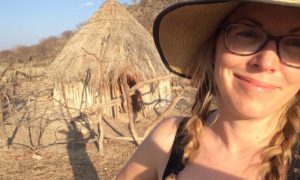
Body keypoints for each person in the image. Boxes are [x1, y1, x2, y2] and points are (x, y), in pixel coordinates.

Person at [117, 0, 300, 179]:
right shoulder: (168, 139)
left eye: (296, 44)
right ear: (214, 48)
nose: (266, 62)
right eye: (248, 34)